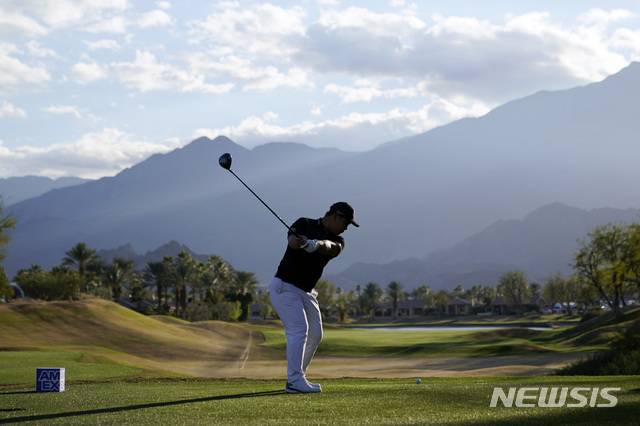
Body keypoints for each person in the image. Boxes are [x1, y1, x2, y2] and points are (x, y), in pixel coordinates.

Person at [269, 201, 359, 393]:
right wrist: (302, 242)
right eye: (346, 223)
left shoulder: (339, 240)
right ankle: (294, 381)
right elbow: (292, 243)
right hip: (284, 286)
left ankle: (297, 377)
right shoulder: (304, 223)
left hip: (307, 291)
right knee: (299, 329)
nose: (346, 228)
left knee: (316, 334)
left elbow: (330, 247)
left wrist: (314, 244)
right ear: (336, 216)